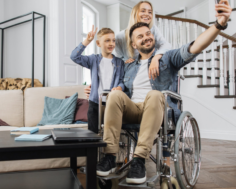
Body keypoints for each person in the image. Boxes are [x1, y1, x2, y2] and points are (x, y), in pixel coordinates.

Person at [95, 0, 232, 184]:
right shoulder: (129, 66)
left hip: (156, 109)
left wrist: (219, 24)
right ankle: (110, 156)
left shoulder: (168, 58)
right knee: (114, 95)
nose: (146, 37)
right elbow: (108, 76)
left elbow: (195, 46)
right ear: (134, 45)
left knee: (155, 94)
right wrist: (113, 88)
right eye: (140, 37)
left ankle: (139, 160)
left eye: (148, 34)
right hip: (132, 110)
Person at [70, 26, 125, 134]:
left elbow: (122, 80)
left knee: (111, 132)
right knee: (93, 133)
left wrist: (120, 87)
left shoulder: (120, 62)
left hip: (112, 102)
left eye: (113, 40)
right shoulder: (93, 59)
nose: (111, 43)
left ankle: (108, 151)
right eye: (107, 40)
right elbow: (74, 56)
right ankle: (94, 151)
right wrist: (87, 41)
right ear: (98, 43)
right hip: (95, 102)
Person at [115, 1, 171, 80]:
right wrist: (125, 61)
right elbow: (117, 60)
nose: (147, 14)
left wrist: (156, 58)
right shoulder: (120, 37)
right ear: (135, 13)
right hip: (131, 77)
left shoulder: (153, 30)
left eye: (150, 12)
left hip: (150, 73)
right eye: (143, 11)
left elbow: (165, 45)